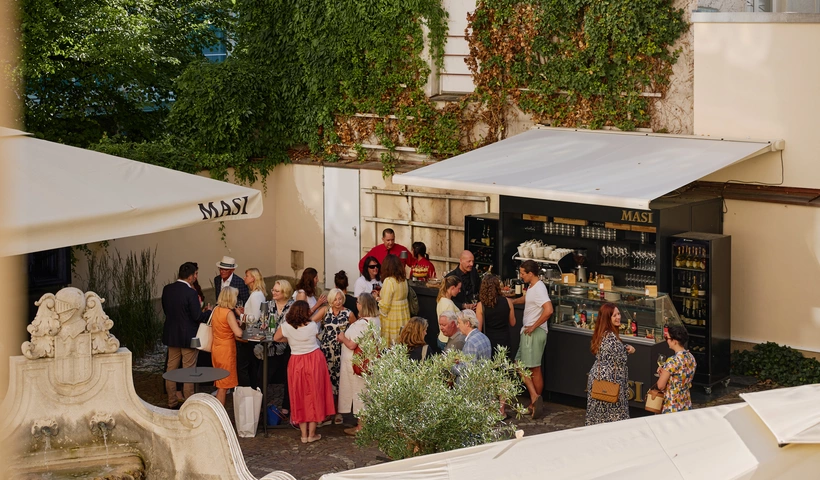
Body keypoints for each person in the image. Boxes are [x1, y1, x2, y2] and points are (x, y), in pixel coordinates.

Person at [273, 300, 336, 444]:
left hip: (296, 361)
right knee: (314, 395)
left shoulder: (286, 326)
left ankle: (303, 435)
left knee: (299, 396)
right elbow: (314, 335)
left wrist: (289, 340)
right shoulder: (313, 325)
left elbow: (276, 338)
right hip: (314, 360)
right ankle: (312, 434)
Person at [161, 262, 211, 409]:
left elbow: (166, 311)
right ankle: (189, 403)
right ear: (190, 277)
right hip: (188, 335)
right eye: (196, 274)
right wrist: (209, 312)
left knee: (171, 369)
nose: (196, 277)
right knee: (189, 370)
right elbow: (197, 316)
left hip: (172, 334)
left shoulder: (167, 289)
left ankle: (172, 402)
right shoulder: (191, 293)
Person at [511, 260, 553, 420]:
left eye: (522, 273)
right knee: (519, 364)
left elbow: (549, 310)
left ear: (530, 273)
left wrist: (534, 326)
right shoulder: (534, 287)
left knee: (533, 369)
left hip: (533, 333)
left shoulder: (539, 289)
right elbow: (527, 299)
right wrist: (512, 302)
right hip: (529, 332)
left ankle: (534, 401)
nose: (520, 276)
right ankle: (535, 399)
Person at [336, 293, 381, 436]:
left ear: (362, 305)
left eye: (358, 302)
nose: (357, 305)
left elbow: (352, 344)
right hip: (369, 361)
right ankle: (365, 425)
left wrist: (342, 337)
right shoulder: (376, 320)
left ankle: (361, 427)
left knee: (359, 393)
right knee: (366, 392)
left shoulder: (362, 324)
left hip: (357, 363)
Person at [585, 303, 635, 426]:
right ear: (608, 318)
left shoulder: (602, 333)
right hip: (610, 381)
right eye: (614, 315)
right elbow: (621, 358)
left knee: (598, 417)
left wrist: (624, 347)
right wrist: (630, 350)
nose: (618, 317)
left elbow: (610, 352)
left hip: (600, 379)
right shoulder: (611, 336)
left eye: (618, 314)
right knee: (614, 417)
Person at [314, 288, 357, 424]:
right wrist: (320, 336)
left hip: (341, 351)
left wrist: (346, 338)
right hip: (326, 350)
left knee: (339, 381)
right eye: (335, 299)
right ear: (331, 300)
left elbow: (356, 328)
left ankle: (339, 412)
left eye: (340, 299)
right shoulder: (325, 311)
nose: (338, 302)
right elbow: (310, 322)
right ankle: (328, 411)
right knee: (326, 381)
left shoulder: (348, 313)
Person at [211, 286, 244, 406]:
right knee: (223, 386)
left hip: (216, 347)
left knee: (220, 381)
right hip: (226, 350)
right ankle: (221, 414)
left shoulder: (216, 309)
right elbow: (238, 333)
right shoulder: (228, 313)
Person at [267, 279, 294, 415]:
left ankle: (286, 407)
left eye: (277, 291)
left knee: (288, 378)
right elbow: (262, 321)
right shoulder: (268, 305)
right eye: (273, 290)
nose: (274, 293)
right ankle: (261, 406)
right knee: (263, 376)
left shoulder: (292, 306)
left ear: (285, 292)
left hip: (288, 347)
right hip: (270, 347)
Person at [657, 325, 697, 414]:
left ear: (674, 341)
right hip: (686, 401)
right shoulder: (691, 357)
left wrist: (661, 374)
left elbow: (660, 385)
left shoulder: (672, 361)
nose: (666, 340)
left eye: (667, 338)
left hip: (672, 403)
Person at [476, 275, 515, 360]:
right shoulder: (508, 302)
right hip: (505, 340)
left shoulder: (481, 305)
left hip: (489, 341)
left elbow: (478, 329)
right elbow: (513, 323)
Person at [378, 254, 410, 345]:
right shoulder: (404, 280)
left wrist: (377, 299)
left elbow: (385, 307)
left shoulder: (389, 281)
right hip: (403, 316)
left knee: (391, 348)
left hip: (392, 319)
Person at [435, 276, 462, 350]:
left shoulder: (441, 299)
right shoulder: (448, 304)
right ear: (453, 288)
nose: (459, 291)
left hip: (442, 337)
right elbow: (452, 324)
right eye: (458, 288)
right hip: (448, 340)